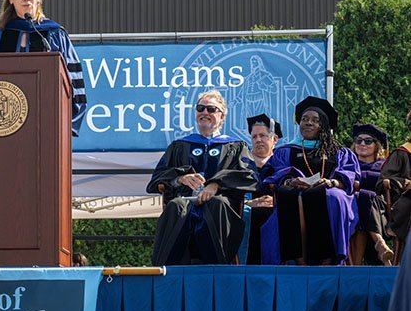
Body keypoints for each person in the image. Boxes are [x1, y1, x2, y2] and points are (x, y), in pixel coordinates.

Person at [147, 90, 257, 265]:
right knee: (176, 206)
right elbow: (156, 179)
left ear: (222, 116)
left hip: (219, 204)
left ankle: (216, 270)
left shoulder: (236, 146)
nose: (205, 112)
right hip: (186, 201)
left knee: (216, 204)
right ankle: (167, 272)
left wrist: (216, 184)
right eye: (201, 108)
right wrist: (180, 178)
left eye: (211, 109)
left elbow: (250, 176)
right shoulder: (179, 146)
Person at [0, 0, 87, 136]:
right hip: (2, 123)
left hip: (45, 120)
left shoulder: (55, 33)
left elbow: (72, 78)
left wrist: (68, 121)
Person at [260, 96, 360, 265]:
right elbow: (274, 173)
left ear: (324, 126)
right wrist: (289, 181)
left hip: (329, 190)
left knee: (331, 196)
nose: (308, 123)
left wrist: (331, 182)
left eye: (315, 120)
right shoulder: (286, 150)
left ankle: (327, 260)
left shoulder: (338, 151)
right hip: (297, 189)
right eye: (304, 119)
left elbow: (350, 176)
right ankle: (300, 261)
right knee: (289, 194)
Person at [240, 114, 282, 265]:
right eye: (254, 136)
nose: (258, 140)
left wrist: (276, 201)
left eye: (263, 135)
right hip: (246, 213)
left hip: (275, 214)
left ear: (274, 139)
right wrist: (248, 203)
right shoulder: (241, 163)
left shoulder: (282, 163)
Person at [348, 123, 393, 264]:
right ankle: (379, 243)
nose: (362, 143)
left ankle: (355, 266)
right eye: (358, 140)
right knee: (361, 197)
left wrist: (359, 182)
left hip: (380, 213)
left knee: (364, 196)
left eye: (368, 141)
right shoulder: (347, 163)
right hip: (351, 212)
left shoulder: (385, 165)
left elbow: (385, 181)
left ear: (377, 146)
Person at [379, 108, 411, 243]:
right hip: (404, 202)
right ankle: (396, 226)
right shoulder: (402, 153)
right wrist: (405, 182)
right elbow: (384, 180)